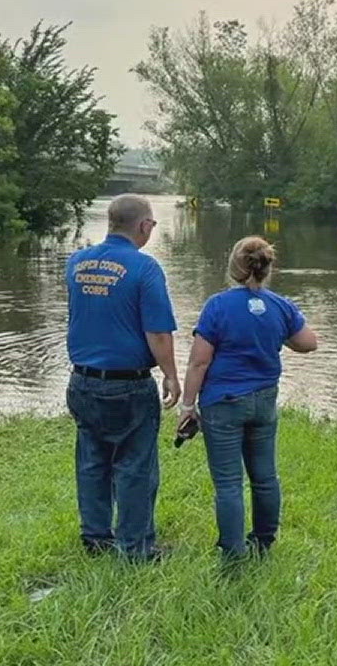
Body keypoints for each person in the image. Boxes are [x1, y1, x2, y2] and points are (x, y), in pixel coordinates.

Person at [177, 236, 319, 561]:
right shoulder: (280, 305)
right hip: (264, 401)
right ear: (268, 268)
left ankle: (232, 552)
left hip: (223, 402)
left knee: (228, 483)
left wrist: (188, 406)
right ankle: (263, 542)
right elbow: (309, 343)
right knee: (265, 476)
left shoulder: (217, 305)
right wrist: (281, 335)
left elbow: (199, 361)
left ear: (233, 268)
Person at [64, 194, 180, 561]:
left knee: (92, 460)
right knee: (135, 465)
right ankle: (135, 548)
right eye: (152, 225)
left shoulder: (76, 263)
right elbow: (158, 333)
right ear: (144, 226)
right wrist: (172, 375)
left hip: (81, 381)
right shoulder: (145, 269)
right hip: (128, 385)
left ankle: (96, 537)